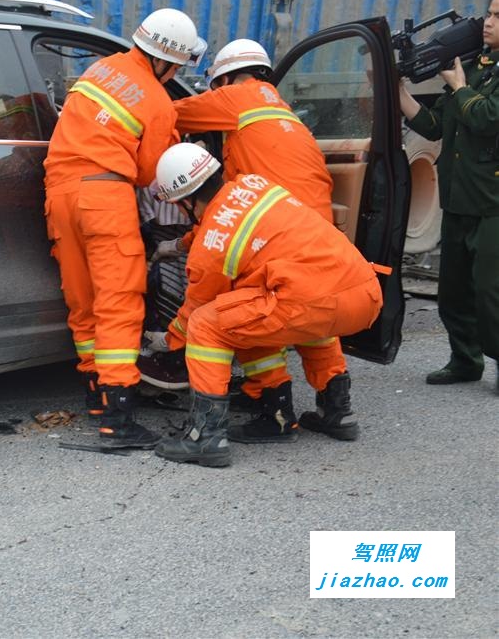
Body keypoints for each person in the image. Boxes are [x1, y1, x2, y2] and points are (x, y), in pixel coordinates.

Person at [141, 38, 359, 440]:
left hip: (269, 233)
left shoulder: (236, 97)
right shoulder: (282, 111)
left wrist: (169, 338)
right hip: (311, 229)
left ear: (223, 78)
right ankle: (336, 409)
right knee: (313, 316)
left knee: (246, 311)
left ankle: (273, 407)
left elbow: (164, 113)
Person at [149, 143, 384, 467]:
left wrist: (166, 339)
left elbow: (194, 310)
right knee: (275, 309)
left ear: (184, 200)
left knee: (209, 322)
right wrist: (178, 245)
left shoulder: (209, 251)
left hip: (311, 302)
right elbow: (227, 223)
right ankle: (336, 413)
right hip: (363, 293)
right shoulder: (253, 185)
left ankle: (206, 438)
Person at [43, 8, 204, 446]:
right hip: (103, 197)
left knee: (83, 302)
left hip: (59, 195)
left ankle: (96, 392)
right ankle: (119, 416)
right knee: (118, 302)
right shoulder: (156, 101)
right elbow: (154, 174)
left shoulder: (99, 70)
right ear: (167, 61)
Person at [399, 0, 499, 391]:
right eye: (489, 13)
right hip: (459, 197)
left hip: (493, 203)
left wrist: (458, 87)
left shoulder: (468, 78)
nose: (487, 22)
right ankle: (464, 360)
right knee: (453, 292)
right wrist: (398, 92)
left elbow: (487, 118)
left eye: (497, 16)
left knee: (491, 295)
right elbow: (437, 125)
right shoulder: (477, 68)